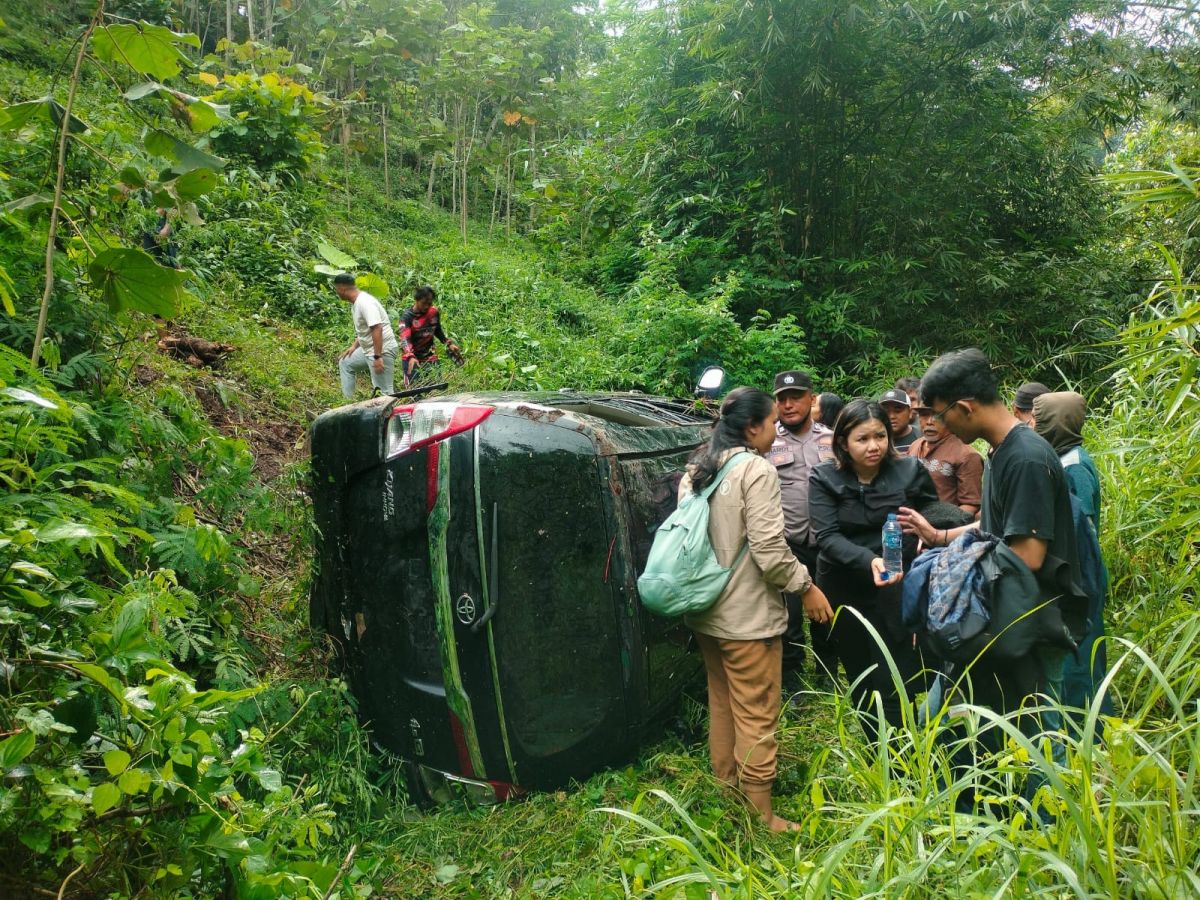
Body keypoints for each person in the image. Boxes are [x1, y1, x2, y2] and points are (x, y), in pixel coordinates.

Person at [897, 351, 1084, 748]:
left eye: (941, 414)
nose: (938, 424)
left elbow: (1028, 554)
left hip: (1033, 618)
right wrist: (940, 538)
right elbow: (996, 526)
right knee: (949, 721)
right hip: (1005, 610)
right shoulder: (1000, 450)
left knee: (1038, 740)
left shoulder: (1026, 458)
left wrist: (951, 572)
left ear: (965, 407)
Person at [680, 387, 833, 832]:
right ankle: (761, 814)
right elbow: (769, 551)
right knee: (758, 712)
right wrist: (806, 587)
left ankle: (727, 790)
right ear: (752, 428)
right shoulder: (756, 470)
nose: (774, 431)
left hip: (706, 611)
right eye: (771, 423)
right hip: (747, 618)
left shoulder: (697, 470)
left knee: (722, 702)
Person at [808, 399, 938, 741]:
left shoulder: (910, 470)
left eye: (880, 436)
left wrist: (927, 538)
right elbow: (827, 537)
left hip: (895, 584)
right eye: (862, 439)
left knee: (894, 673)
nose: (874, 446)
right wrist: (869, 560)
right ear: (843, 442)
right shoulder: (824, 477)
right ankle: (874, 749)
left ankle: (903, 752)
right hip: (844, 587)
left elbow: (933, 515)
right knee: (860, 673)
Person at [1034, 391, 1111, 715]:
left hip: (1082, 570)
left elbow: (1082, 524)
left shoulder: (1074, 465)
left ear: (1056, 423)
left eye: (1040, 419)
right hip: (1076, 568)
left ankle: (1089, 724)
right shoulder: (1061, 458)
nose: (1034, 426)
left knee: (1082, 655)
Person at [765, 370, 837, 691]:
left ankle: (827, 674)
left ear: (812, 399)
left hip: (826, 543)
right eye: (782, 399)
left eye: (796, 397)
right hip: (787, 544)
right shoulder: (767, 440)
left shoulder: (832, 439)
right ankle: (793, 683)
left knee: (827, 613)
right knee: (788, 618)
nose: (789, 405)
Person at [908, 402, 984, 517]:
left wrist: (940, 525)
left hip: (943, 525)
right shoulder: (915, 445)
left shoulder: (966, 455)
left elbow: (970, 505)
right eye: (924, 414)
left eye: (938, 415)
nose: (929, 421)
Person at [334, 273, 399, 399]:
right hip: (369, 350)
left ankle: (394, 411)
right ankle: (348, 404)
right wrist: (354, 346)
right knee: (346, 363)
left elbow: (377, 328)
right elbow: (367, 329)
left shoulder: (365, 303)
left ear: (342, 289)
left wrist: (378, 357)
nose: (337, 293)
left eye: (337, 290)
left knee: (384, 393)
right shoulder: (356, 303)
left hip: (382, 349)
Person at [399, 286, 463, 387]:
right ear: (416, 300)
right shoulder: (407, 317)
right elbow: (405, 339)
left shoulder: (433, 313)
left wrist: (448, 344)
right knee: (415, 391)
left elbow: (437, 330)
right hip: (412, 359)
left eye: (429, 304)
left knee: (437, 388)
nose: (426, 307)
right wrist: (410, 356)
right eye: (424, 303)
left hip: (430, 357)